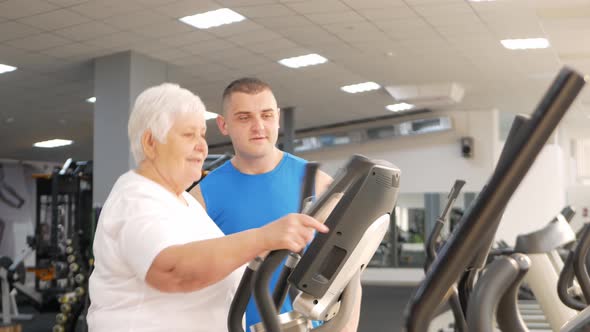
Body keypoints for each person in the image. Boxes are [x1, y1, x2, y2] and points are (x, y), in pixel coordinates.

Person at [87, 83, 328, 332]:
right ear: (151, 142)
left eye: (202, 135)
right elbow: (172, 271)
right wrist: (263, 237)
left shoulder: (184, 202)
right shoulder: (136, 199)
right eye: (188, 135)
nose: (202, 146)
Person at [190, 77, 361, 331]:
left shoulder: (320, 185)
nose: (258, 126)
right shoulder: (200, 197)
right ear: (224, 125)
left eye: (267, 115)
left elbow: (349, 276)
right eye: (244, 117)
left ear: (278, 118)